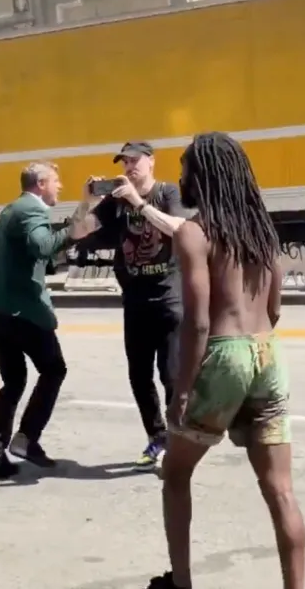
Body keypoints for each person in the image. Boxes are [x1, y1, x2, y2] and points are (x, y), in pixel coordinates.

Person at [147, 132, 305, 589]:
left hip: (224, 353)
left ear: (204, 175)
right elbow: (275, 308)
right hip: (267, 351)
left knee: (175, 473)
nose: (180, 178)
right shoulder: (262, 230)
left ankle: (180, 583)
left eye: (185, 168)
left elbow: (197, 322)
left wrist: (181, 389)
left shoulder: (196, 233)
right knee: (281, 491)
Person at [73, 141, 188, 469]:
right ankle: (157, 438)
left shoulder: (167, 194)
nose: (129, 168)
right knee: (139, 376)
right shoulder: (114, 202)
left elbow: (179, 229)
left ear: (151, 162)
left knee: (171, 375)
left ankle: (178, 443)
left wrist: (137, 202)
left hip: (169, 298)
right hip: (135, 301)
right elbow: (79, 231)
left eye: (135, 161)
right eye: (124, 163)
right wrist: (87, 201)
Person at [0, 162, 80, 476]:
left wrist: (87, 208)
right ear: (40, 183)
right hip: (20, 312)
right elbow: (43, 247)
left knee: (14, 381)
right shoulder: (31, 210)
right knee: (54, 369)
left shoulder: (13, 209)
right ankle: (26, 439)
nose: (60, 186)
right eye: (56, 181)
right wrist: (74, 233)